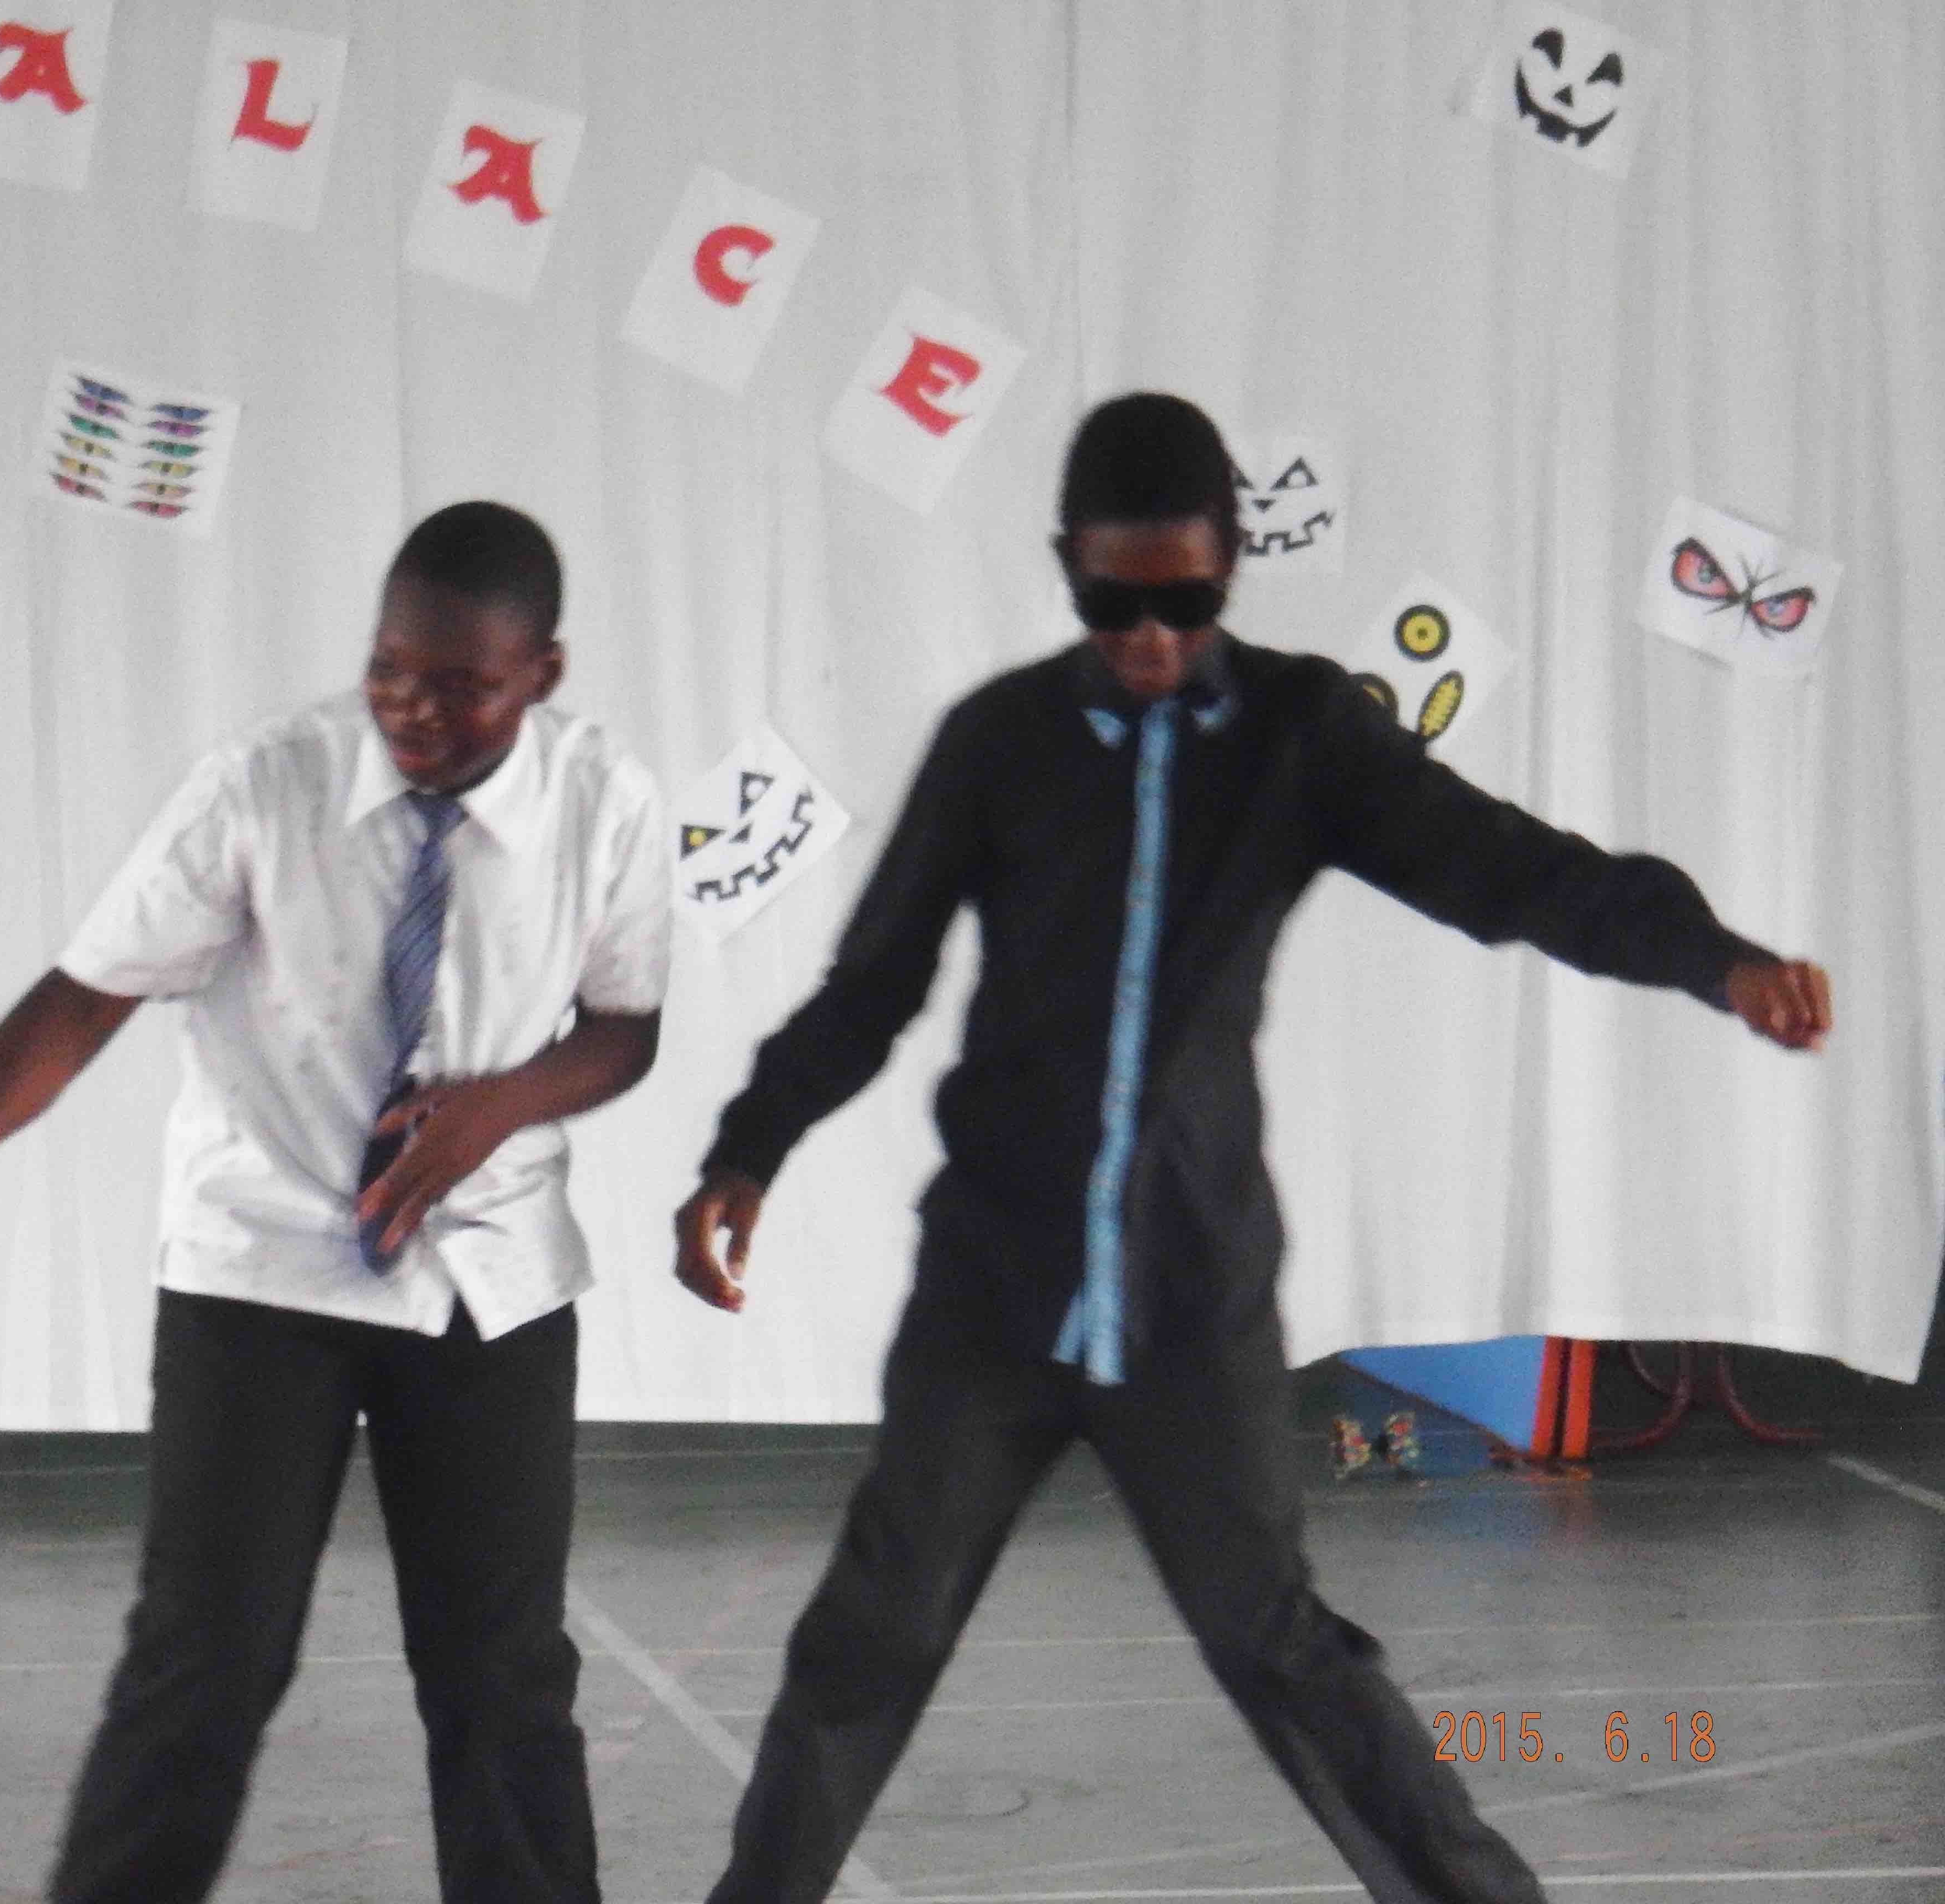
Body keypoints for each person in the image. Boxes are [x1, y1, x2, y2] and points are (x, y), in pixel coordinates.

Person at [670, 392, 1833, 1904]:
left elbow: (1510, 873)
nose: (1151, 638)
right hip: (994, 1292)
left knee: (1278, 1646)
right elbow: (874, 982)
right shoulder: (998, 742)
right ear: (1065, 565)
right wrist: (748, 1149)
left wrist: (1712, 957)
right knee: (868, 1639)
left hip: (1190, 1292)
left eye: (1187, 599)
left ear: (1232, 562)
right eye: (1113, 603)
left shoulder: (1304, 734)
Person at [0, 500, 672, 1904]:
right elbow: (84, 998)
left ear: (544, 673)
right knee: (205, 1660)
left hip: (492, 1276)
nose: (414, 710)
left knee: (502, 1673)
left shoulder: (606, 802)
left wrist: (496, 1107)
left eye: (463, 685)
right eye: (389, 669)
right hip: (263, 1270)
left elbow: (626, 1031)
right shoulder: (266, 786)